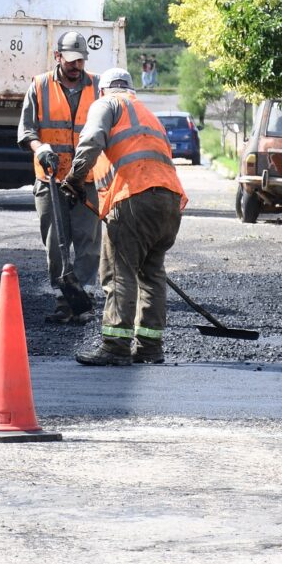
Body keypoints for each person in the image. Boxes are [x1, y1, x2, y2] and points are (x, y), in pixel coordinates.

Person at [64, 67, 188, 366]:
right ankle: (150, 347)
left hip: (135, 197)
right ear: (131, 87)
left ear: (103, 89)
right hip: (170, 201)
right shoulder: (147, 113)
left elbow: (92, 140)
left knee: (118, 271)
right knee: (152, 274)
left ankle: (116, 345)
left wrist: (74, 178)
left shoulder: (106, 104)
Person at [17, 31, 103, 324]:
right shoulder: (39, 86)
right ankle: (64, 298)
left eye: (80, 60)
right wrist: (40, 149)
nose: (76, 66)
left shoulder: (98, 87)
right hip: (50, 179)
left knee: (88, 241)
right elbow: (26, 130)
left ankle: (85, 298)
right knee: (56, 243)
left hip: (86, 178)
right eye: (70, 60)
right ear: (58, 57)